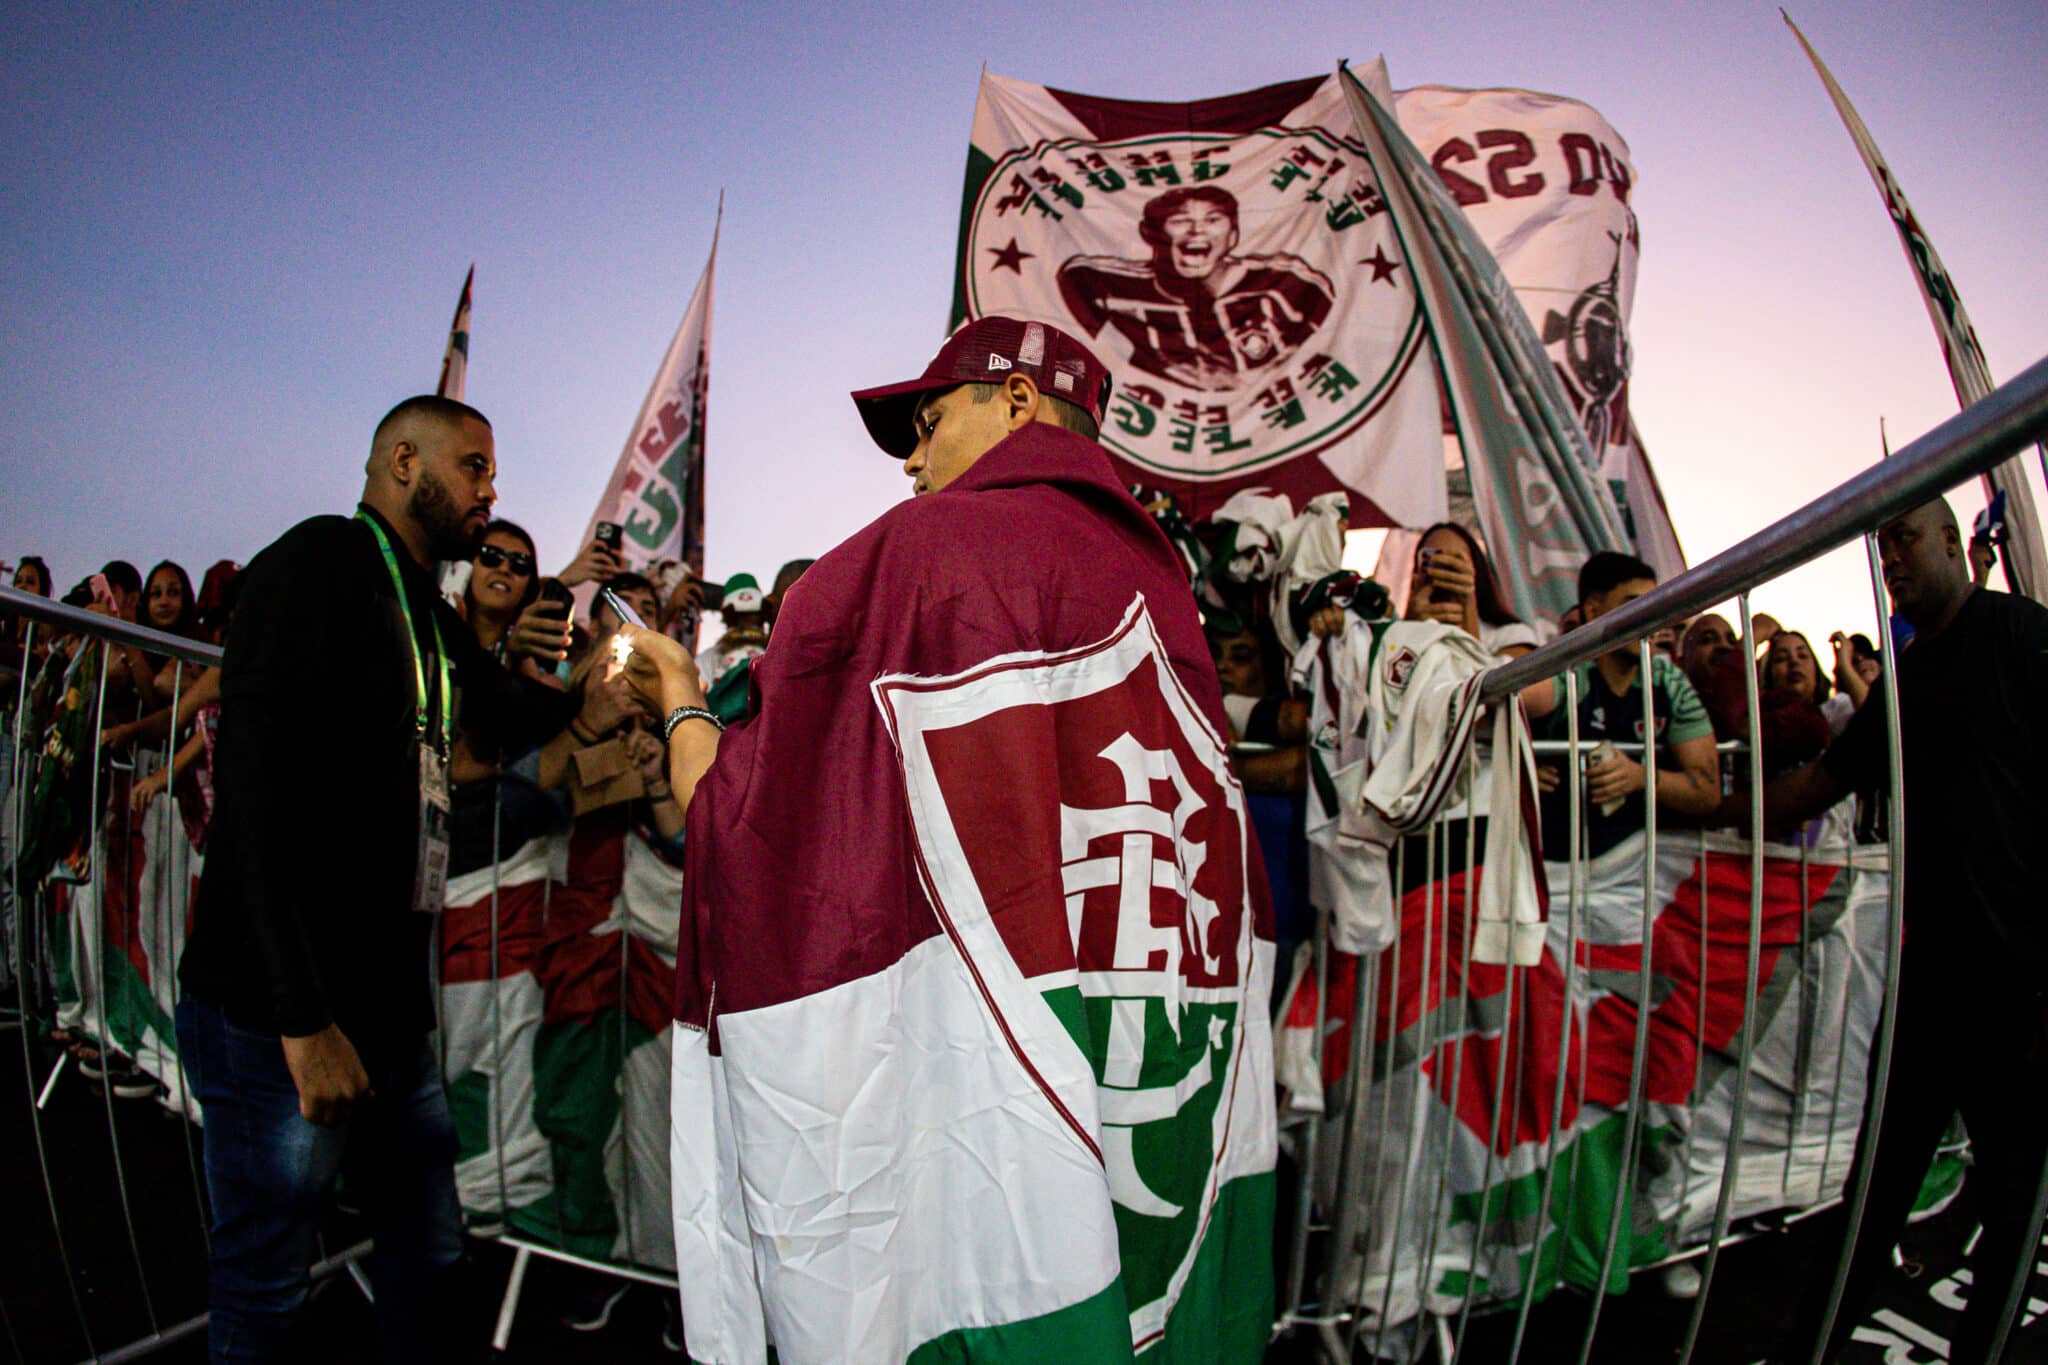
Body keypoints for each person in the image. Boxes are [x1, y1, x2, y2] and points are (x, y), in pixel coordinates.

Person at [620, 316, 1276, 1362]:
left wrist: (678, 696)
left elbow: (740, 823)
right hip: (1146, 1036)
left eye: (927, 424)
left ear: (1016, 402)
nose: (913, 461)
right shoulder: (1161, 590)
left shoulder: (902, 559)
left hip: (966, 1096)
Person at [175, 395, 578, 1363]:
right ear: (404, 461)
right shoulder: (318, 562)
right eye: (475, 466)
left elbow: (506, 711)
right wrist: (302, 1022)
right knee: (266, 1284)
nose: (491, 490)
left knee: (429, 1252)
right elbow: (253, 799)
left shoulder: (427, 612)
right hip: (281, 1014)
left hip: (388, 1018)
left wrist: (609, 692)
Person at [1759, 499, 2048, 1365]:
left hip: (2022, 991)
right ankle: (1816, 1346)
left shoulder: (2021, 632)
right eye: (1880, 544)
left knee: (2011, 1206)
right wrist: (1694, 799)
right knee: (1871, 1202)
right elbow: (1815, 788)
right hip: (1928, 991)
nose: (1891, 558)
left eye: (1905, 538)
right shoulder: (1906, 679)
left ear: (1957, 544)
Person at [1532, 552, 1721, 860]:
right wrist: (1514, 764)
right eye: (1635, 605)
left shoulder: (1668, 681)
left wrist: (1640, 776)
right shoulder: (1567, 673)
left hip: (1641, 871)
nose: (1651, 619)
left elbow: (1708, 791)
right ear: (1594, 610)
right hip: (1555, 869)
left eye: (1655, 606)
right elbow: (1496, 702)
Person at [1056, 184, 1335, 392]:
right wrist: (1135, 357)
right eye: (1179, 221)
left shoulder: (1283, 282)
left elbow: (1337, 322)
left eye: (1213, 220)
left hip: (1267, 431)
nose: (1196, 231)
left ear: (1233, 235)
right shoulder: (1116, 286)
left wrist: (1262, 376)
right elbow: (1074, 274)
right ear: (1153, 236)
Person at [1403, 521, 1540, 659]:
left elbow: (1482, 678)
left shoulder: (1512, 635)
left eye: (1456, 561)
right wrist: (1409, 630)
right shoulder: (1403, 631)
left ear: (1476, 569)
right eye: (1431, 558)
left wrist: (1468, 611)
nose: (1443, 568)